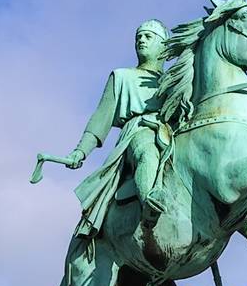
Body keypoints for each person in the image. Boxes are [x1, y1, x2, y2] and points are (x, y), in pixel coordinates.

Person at [67, 20, 170, 234]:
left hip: (169, 134)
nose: (140, 40)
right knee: (147, 152)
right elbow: (100, 119)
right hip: (139, 132)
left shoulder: (172, 80)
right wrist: (80, 151)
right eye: (138, 37)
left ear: (163, 45)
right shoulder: (122, 77)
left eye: (148, 36)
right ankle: (149, 205)